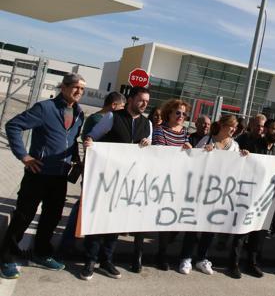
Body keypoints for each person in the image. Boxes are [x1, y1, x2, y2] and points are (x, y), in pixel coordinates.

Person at [0, 73, 85, 279]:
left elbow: (71, 140)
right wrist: (24, 156)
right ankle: (6, 258)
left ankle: (41, 253)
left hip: (60, 175)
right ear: (63, 87)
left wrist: (75, 159)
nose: (79, 92)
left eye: (82, 89)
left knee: (52, 217)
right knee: (23, 216)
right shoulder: (44, 108)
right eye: (75, 87)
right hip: (38, 173)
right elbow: (13, 126)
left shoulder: (79, 113)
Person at [82, 86, 152, 279]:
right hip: (106, 179)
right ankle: (90, 260)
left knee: (115, 222)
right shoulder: (113, 117)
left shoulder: (147, 124)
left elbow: (151, 152)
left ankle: (106, 261)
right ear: (130, 100)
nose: (145, 104)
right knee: (99, 220)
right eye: (141, 100)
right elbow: (92, 137)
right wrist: (89, 142)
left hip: (128, 182)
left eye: (147, 101)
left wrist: (148, 144)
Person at [179, 114, 248, 277]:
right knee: (194, 226)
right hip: (202, 191)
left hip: (220, 194)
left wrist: (244, 156)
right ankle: (186, 257)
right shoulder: (208, 140)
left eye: (235, 126)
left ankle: (202, 258)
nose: (233, 129)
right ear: (222, 125)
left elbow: (237, 168)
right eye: (231, 125)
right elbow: (193, 160)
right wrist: (203, 152)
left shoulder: (235, 146)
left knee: (210, 228)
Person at [60, 91, 126, 254]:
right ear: (114, 106)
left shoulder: (95, 117)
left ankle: (77, 243)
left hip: (96, 168)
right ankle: (69, 244)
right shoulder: (101, 119)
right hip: (96, 169)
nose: (123, 110)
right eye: (122, 107)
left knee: (86, 205)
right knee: (83, 206)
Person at [228, 118, 275, 279]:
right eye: (274, 129)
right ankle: (234, 263)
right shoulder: (253, 146)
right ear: (266, 129)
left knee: (259, 233)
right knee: (241, 232)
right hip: (247, 196)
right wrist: (244, 156)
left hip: (264, 200)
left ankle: (252, 263)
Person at [147, 99, 194, 273]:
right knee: (166, 219)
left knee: (177, 220)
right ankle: (162, 254)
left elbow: (188, 158)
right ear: (169, 114)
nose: (181, 116)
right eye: (178, 113)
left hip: (180, 182)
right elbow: (161, 153)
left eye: (184, 113)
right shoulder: (160, 130)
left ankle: (163, 248)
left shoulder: (185, 132)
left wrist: (190, 149)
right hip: (165, 182)